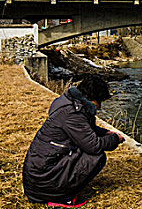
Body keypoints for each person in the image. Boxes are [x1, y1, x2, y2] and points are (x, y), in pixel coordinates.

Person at [22, 74, 124, 208]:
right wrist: (116, 138)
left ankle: (57, 189)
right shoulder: (73, 113)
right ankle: (61, 198)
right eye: (98, 101)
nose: (99, 107)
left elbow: (84, 129)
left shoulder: (68, 103)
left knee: (88, 151)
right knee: (96, 156)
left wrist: (105, 133)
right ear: (88, 97)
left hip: (39, 175)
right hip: (42, 180)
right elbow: (94, 146)